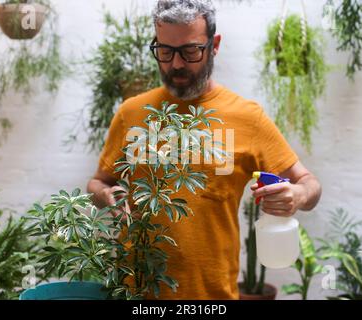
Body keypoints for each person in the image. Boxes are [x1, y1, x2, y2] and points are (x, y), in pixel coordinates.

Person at [86, 0, 322, 300]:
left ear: (214, 45)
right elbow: (98, 182)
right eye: (165, 51)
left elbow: (310, 184)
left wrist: (298, 196)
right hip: (135, 294)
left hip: (213, 296)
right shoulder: (130, 113)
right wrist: (108, 196)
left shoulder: (247, 117)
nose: (176, 64)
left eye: (190, 51)